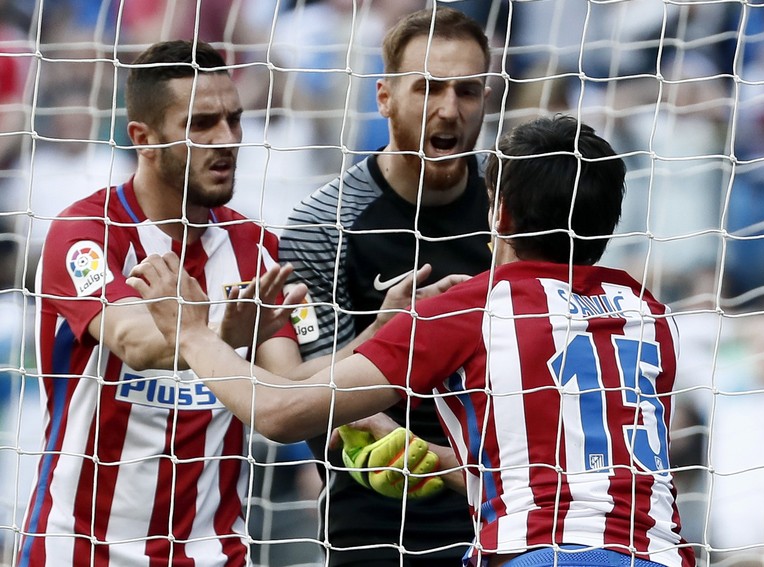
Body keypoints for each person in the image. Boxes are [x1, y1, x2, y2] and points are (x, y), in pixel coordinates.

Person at [129, 114, 697, 567]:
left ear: (497, 213)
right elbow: (573, 471)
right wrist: (423, 454)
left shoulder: (473, 304)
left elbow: (280, 414)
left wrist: (192, 332)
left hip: (538, 555)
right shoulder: (650, 315)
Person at [15, 40, 304, 567]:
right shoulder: (84, 236)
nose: (228, 140)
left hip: (215, 553)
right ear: (143, 138)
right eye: (201, 124)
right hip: (81, 551)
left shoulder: (257, 247)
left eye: (234, 120)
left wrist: (384, 331)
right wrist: (229, 335)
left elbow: (288, 391)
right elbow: (138, 342)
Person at [277, 6, 493, 565]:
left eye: (467, 91)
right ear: (384, 98)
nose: (449, 110)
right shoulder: (323, 223)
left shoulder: (517, 212)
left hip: (504, 508)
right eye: (428, 89)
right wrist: (388, 331)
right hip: (376, 516)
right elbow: (308, 398)